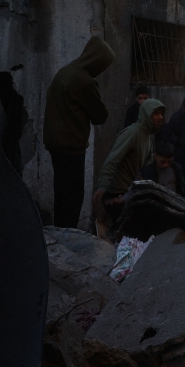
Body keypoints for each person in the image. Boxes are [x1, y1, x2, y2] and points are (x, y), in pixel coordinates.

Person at [43, 35, 115, 228]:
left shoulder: (65, 72)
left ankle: (60, 234)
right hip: (71, 147)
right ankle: (68, 239)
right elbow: (100, 116)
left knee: (62, 195)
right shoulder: (84, 81)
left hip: (56, 144)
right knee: (73, 198)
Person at [94, 98, 166, 226]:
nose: (160, 117)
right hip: (116, 193)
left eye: (161, 114)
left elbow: (147, 166)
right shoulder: (132, 133)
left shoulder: (148, 136)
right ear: (146, 115)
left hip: (130, 193)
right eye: (156, 114)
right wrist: (102, 186)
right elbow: (113, 159)